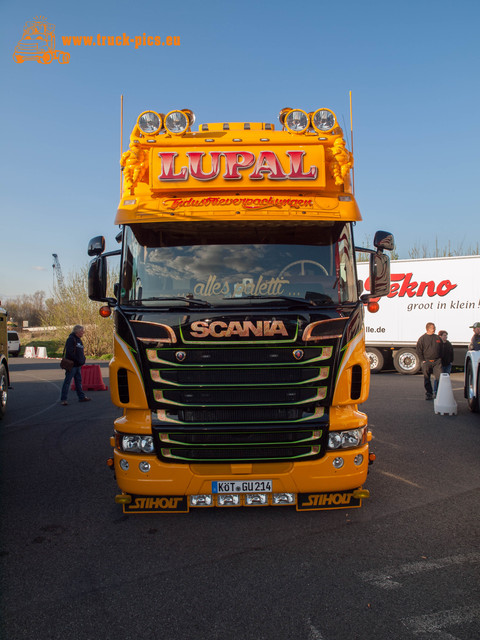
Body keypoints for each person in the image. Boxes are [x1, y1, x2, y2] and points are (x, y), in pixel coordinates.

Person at [60, 325, 91, 405]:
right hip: (72, 365)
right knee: (67, 382)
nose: (83, 333)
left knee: (78, 381)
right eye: (81, 331)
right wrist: (78, 360)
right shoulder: (71, 339)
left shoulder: (79, 340)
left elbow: (81, 351)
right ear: (77, 331)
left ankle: (81, 397)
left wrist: (83, 359)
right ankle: (63, 399)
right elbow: (70, 353)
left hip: (78, 365)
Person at [416, 322, 443, 400]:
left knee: (439, 378)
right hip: (427, 361)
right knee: (427, 378)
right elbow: (418, 350)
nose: (434, 329)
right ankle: (429, 393)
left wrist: (440, 358)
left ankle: (438, 393)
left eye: (434, 327)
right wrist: (423, 360)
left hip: (437, 362)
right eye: (433, 328)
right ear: (428, 329)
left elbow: (442, 349)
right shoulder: (422, 339)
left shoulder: (437, 338)